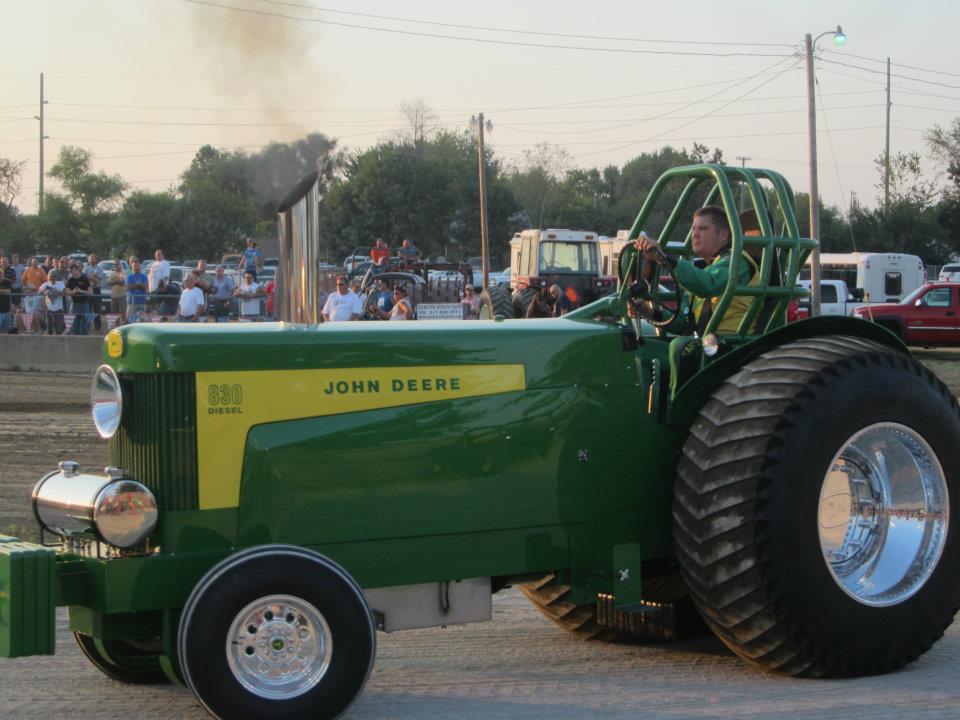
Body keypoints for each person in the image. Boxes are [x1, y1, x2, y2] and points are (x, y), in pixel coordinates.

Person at [633, 205, 758, 335]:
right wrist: (649, 312)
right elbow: (684, 323)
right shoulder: (704, 271)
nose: (695, 234)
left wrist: (663, 259)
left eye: (703, 229)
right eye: (693, 229)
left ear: (723, 235)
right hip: (707, 345)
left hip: (732, 347)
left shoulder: (738, 262)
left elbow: (709, 284)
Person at [64, 263, 94, 335]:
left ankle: (85, 340)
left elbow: (90, 292)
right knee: (74, 324)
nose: (71, 272)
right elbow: (67, 291)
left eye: (71, 270)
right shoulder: (71, 279)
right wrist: (73, 292)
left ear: (76, 269)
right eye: (70, 271)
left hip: (84, 304)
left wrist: (81, 291)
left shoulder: (84, 278)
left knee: (84, 324)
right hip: (74, 304)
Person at [82, 254, 104, 331]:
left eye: (93, 258)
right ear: (88, 260)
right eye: (91, 258)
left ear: (96, 260)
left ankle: (98, 326)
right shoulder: (85, 269)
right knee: (87, 309)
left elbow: (98, 281)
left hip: (96, 290)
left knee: (97, 309)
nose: (92, 260)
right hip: (88, 290)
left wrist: (90, 277)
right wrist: (93, 277)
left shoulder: (100, 269)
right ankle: (87, 326)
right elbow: (85, 280)